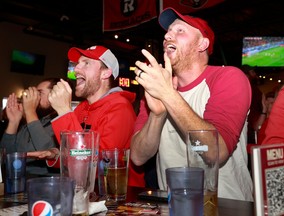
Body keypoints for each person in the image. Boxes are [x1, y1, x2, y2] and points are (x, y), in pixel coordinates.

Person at [130, 7, 253, 201]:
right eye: (168, 32)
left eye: (180, 30)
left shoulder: (228, 77)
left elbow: (215, 152)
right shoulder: (158, 88)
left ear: (202, 44)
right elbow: (138, 156)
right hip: (173, 206)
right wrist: (157, 115)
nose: (168, 35)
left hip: (226, 207)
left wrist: (168, 95)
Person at [28, 45, 145, 187]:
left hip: (121, 198)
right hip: (88, 194)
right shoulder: (82, 108)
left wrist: (65, 112)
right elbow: (76, 156)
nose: (76, 69)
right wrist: (57, 155)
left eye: (86, 63)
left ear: (105, 73)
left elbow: (97, 167)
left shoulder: (120, 108)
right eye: (78, 64)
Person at [0, 78, 60, 176]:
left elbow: (47, 153)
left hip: (44, 184)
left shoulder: (60, 122)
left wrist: (30, 111)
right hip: (18, 178)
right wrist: (13, 122)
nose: (34, 97)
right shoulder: (28, 123)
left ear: (56, 96)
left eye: (39, 93)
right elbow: (6, 157)